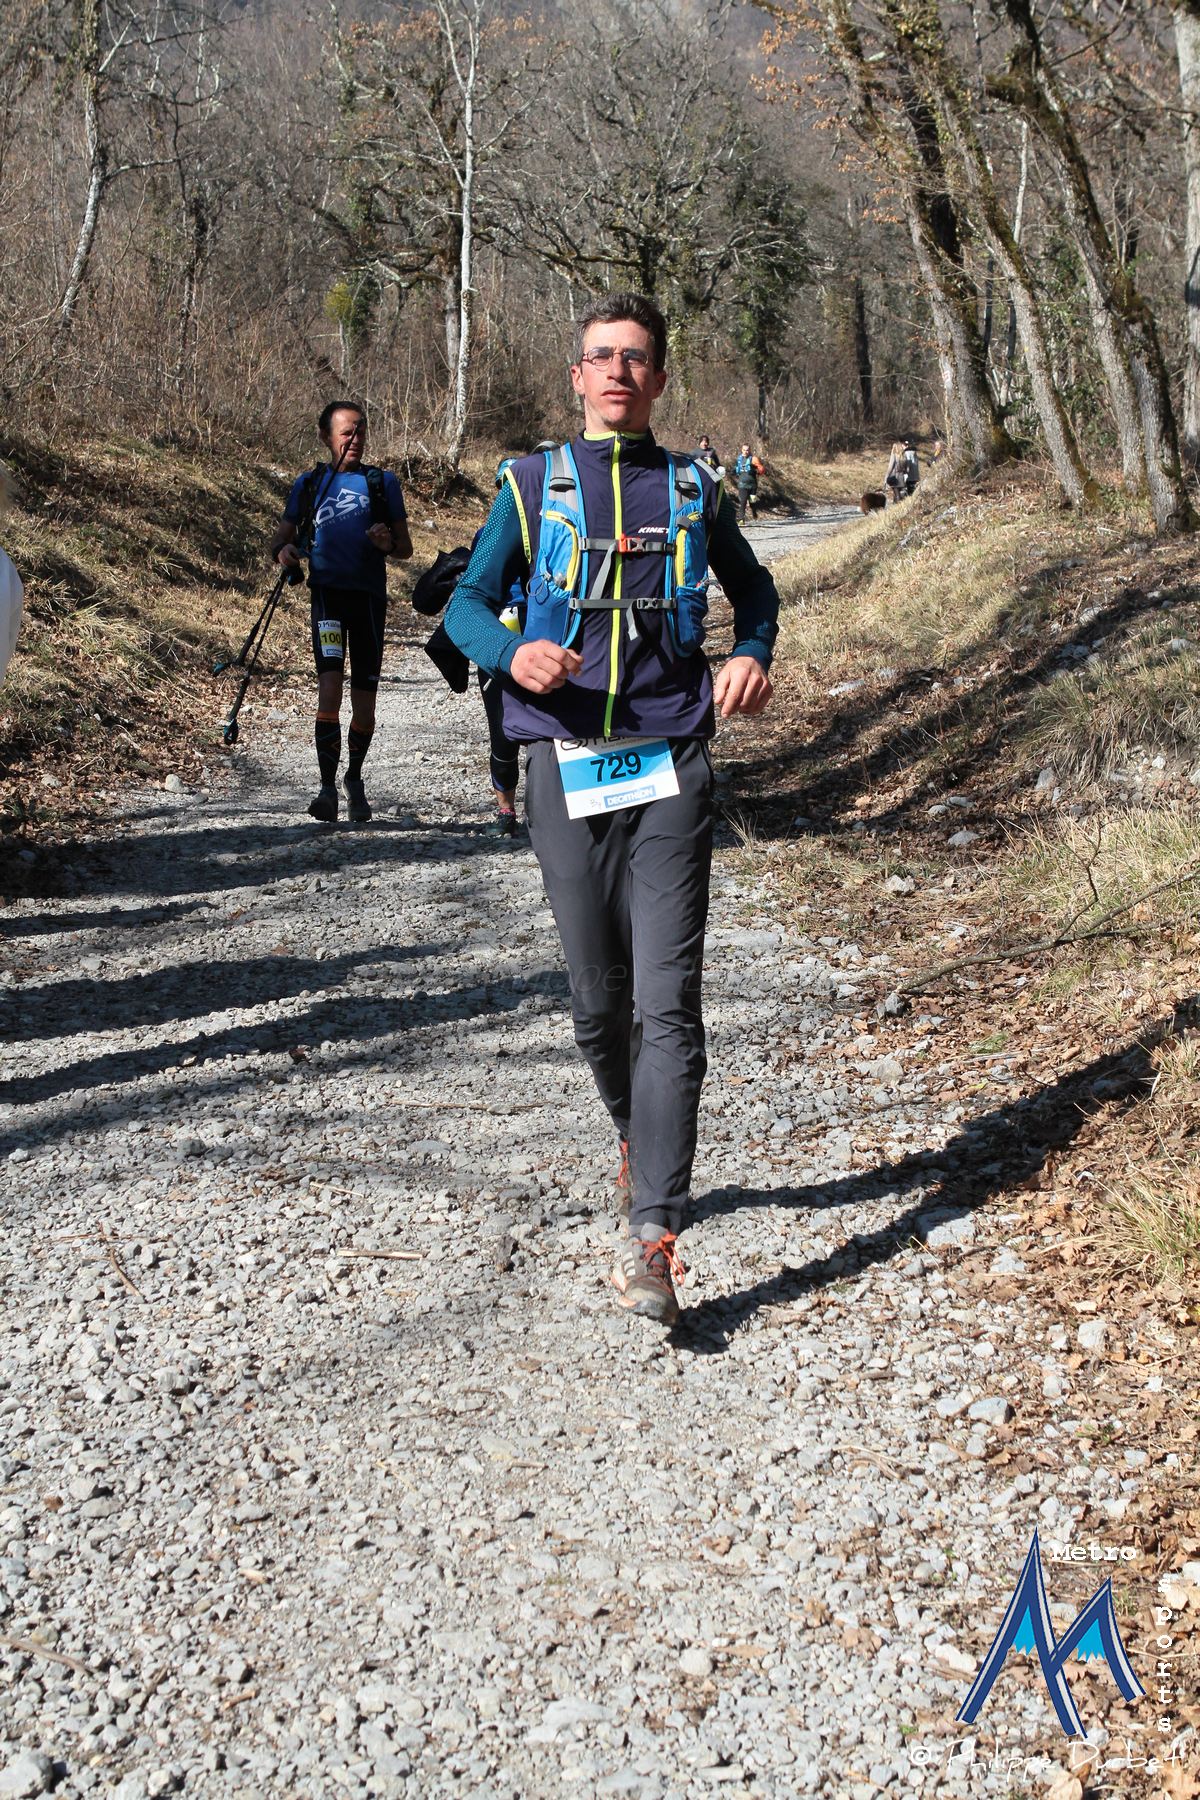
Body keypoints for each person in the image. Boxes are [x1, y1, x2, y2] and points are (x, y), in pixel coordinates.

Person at [445, 291, 779, 1327]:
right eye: (603, 356)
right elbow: (464, 604)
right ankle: (638, 1134)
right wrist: (512, 653)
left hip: (672, 765)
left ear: (659, 379)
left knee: (668, 1003)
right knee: (599, 1003)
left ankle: (655, 1237)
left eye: (637, 358)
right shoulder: (530, 485)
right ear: (578, 376)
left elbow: (757, 595)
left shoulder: (694, 489)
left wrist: (751, 653)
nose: (620, 372)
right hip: (565, 766)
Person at [270, 402, 413, 822]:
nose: (355, 439)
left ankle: (354, 777)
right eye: (347, 432)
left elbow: (405, 548)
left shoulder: (382, 483)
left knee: (364, 703)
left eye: (361, 431)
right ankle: (327, 788)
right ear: (326, 436)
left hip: (368, 602)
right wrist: (285, 552)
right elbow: (280, 539)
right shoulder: (310, 483)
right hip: (328, 599)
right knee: (329, 688)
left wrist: (386, 543)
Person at [733, 442, 762, 522]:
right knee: (743, 501)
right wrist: (732, 471)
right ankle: (741, 519)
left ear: (750, 451)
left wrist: (756, 469)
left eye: (747, 450)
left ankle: (754, 511)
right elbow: (735, 469)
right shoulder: (739, 459)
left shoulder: (753, 459)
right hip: (742, 484)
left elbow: (761, 469)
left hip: (752, 485)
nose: (745, 452)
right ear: (741, 450)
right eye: (744, 450)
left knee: (752, 502)